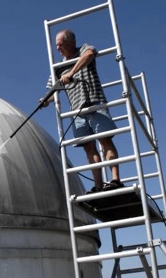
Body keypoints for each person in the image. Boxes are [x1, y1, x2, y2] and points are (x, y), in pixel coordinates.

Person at [41, 29, 123, 193]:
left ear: (71, 42)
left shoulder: (83, 50)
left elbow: (90, 54)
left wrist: (71, 73)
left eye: (61, 44)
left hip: (94, 102)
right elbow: (53, 90)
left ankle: (115, 179)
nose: (58, 48)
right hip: (76, 111)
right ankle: (98, 185)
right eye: (56, 45)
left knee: (104, 140)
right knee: (88, 147)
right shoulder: (58, 67)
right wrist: (45, 100)